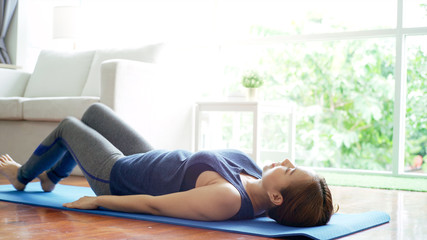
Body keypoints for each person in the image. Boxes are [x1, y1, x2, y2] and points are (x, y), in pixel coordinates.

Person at [0, 103, 334, 227]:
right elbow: (309, 207)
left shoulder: (229, 198)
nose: (287, 162)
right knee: (94, 113)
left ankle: (22, 176)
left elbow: (154, 205)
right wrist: (321, 206)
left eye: (290, 170)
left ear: (277, 198)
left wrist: (99, 200)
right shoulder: (259, 178)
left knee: (70, 125)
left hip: (119, 175)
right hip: (153, 159)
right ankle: (52, 177)